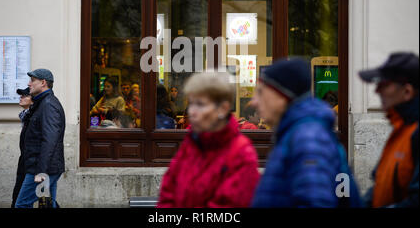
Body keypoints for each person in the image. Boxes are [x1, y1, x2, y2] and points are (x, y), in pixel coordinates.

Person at [251, 58, 361, 208]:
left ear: (282, 96)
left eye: (260, 92)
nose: (254, 101)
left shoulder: (309, 139)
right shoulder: (299, 132)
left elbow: (315, 202)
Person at [158, 71, 260, 208]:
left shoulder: (241, 153)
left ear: (223, 109)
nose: (192, 112)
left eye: (200, 105)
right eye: (191, 104)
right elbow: (168, 193)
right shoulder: (190, 143)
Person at [359, 52, 419, 208]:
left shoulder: (415, 132)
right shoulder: (400, 128)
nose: (376, 91)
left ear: (407, 92)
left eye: (384, 84)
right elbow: (380, 185)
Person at [15, 69, 65, 208]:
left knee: (22, 204)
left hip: (42, 168)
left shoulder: (48, 105)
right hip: (43, 167)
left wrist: (41, 171)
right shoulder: (42, 103)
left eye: (32, 80)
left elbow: (50, 140)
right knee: (48, 204)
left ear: (43, 83)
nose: (29, 84)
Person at [11, 87, 33, 208]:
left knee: (21, 199)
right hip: (25, 159)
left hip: (31, 162)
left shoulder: (32, 116)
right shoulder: (25, 115)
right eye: (21, 95)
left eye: (25, 96)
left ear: (32, 100)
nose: (21, 98)